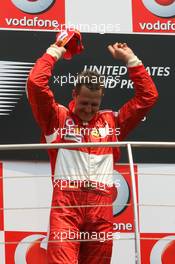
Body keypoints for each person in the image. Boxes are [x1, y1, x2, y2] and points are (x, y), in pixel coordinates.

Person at [26, 34, 158, 264]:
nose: (88, 109)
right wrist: (56, 50)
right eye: (84, 103)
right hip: (67, 206)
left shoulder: (112, 123)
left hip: (101, 208)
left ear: (101, 99)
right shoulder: (56, 117)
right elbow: (36, 84)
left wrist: (131, 59)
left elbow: (148, 98)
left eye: (94, 105)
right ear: (74, 95)